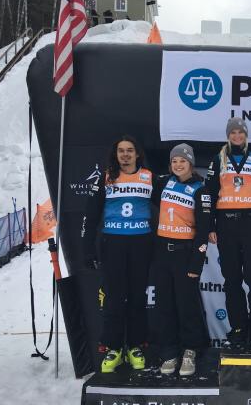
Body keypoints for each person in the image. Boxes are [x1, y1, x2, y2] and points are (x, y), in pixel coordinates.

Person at [81, 135, 153, 373]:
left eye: (129, 150)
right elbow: (91, 215)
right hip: (113, 244)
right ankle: (113, 348)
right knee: (113, 298)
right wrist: (87, 248)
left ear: (137, 154)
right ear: (116, 154)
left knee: (137, 297)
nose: (125, 154)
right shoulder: (106, 178)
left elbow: (171, 204)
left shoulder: (149, 177)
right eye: (121, 151)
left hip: (140, 244)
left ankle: (135, 345)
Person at [205, 118, 251, 350]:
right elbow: (210, 194)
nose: (237, 136)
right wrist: (210, 226)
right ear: (228, 136)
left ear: (246, 135)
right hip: (226, 223)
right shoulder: (218, 159)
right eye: (233, 133)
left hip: (249, 222)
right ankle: (239, 328)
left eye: (240, 132)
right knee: (232, 279)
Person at [150, 143, 211, 376]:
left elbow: (203, 230)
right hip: (162, 253)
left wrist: (197, 263)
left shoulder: (200, 189)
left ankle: (190, 350)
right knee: (164, 305)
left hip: (185, 254)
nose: (178, 164)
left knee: (187, 306)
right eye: (174, 161)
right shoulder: (164, 183)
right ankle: (169, 351)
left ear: (191, 163)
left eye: (183, 161)